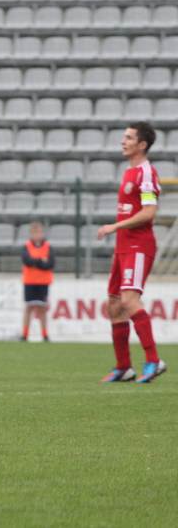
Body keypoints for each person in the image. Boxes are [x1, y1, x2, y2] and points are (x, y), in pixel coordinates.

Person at [97, 122, 166, 384]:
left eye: (128, 138)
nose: (122, 141)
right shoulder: (129, 171)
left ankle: (154, 360)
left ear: (142, 145)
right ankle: (124, 367)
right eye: (123, 137)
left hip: (139, 245)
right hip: (123, 246)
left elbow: (149, 213)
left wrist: (115, 225)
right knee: (114, 305)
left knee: (129, 299)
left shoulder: (146, 173)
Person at [20, 221, 54, 342]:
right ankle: (24, 334)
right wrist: (41, 260)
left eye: (39, 232)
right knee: (29, 307)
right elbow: (27, 261)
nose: (37, 235)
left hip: (43, 282)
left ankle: (45, 334)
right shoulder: (26, 246)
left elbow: (50, 264)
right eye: (34, 232)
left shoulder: (48, 246)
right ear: (31, 234)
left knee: (42, 309)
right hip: (29, 281)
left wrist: (36, 261)